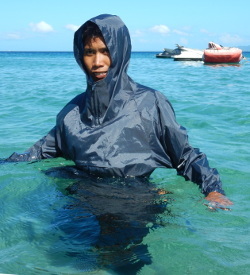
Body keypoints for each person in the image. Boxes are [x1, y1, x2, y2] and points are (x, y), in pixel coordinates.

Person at [5, 14, 232, 208]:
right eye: (89, 52)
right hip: (82, 201)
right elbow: (38, 153)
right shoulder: (72, 113)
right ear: (80, 56)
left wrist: (213, 190)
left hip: (135, 203)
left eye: (105, 51)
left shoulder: (150, 103)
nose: (97, 62)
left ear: (121, 52)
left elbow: (185, 156)